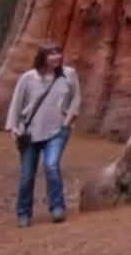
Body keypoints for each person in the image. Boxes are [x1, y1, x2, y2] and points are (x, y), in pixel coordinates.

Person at [5, 43, 80, 227]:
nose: (56, 57)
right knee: (27, 175)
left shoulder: (68, 75)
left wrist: (67, 121)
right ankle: (23, 213)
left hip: (57, 131)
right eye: (51, 54)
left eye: (58, 53)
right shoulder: (28, 78)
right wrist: (12, 127)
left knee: (51, 166)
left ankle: (57, 208)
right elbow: (17, 102)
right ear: (42, 57)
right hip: (30, 133)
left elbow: (76, 98)